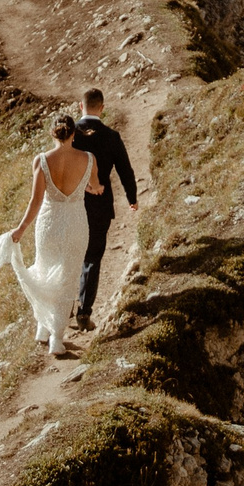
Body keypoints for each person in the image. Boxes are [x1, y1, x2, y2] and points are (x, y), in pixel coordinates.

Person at [0, 116, 100, 358]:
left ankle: (43, 328)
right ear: (74, 134)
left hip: (48, 224)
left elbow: (35, 201)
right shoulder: (89, 159)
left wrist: (19, 230)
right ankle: (56, 338)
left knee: (44, 270)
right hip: (75, 224)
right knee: (67, 278)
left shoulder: (41, 161)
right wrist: (90, 186)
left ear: (53, 134)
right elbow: (93, 185)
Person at [70, 88, 138, 331]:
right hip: (99, 205)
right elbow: (125, 170)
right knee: (92, 258)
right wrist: (132, 197)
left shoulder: (70, 134)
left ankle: (64, 305)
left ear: (81, 106)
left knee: (70, 255)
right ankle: (84, 312)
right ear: (102, 108)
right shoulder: (112, 136)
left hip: (71, 204)